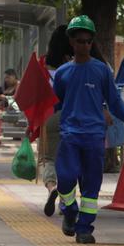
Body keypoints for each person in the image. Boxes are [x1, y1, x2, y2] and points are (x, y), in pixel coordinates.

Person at [52, 15, 124, 244]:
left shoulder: (101, 70)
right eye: (80, 41)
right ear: (71, 42)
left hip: (94, 136)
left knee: (91, 185)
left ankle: (85, 229)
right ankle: (69, 209)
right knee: (65, 177)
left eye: (88, 41)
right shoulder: (62, 73)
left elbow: (113, 100)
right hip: (70, 135)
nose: (84, 45)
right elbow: (59, 101)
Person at [38, 25, 73, 216]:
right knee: (70, 160)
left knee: (48, 159)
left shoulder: (43, 63)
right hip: (72, 116)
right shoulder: (76, 63)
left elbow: (33, 93)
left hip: (50, 117)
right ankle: (67, 203)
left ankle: (52, 188)